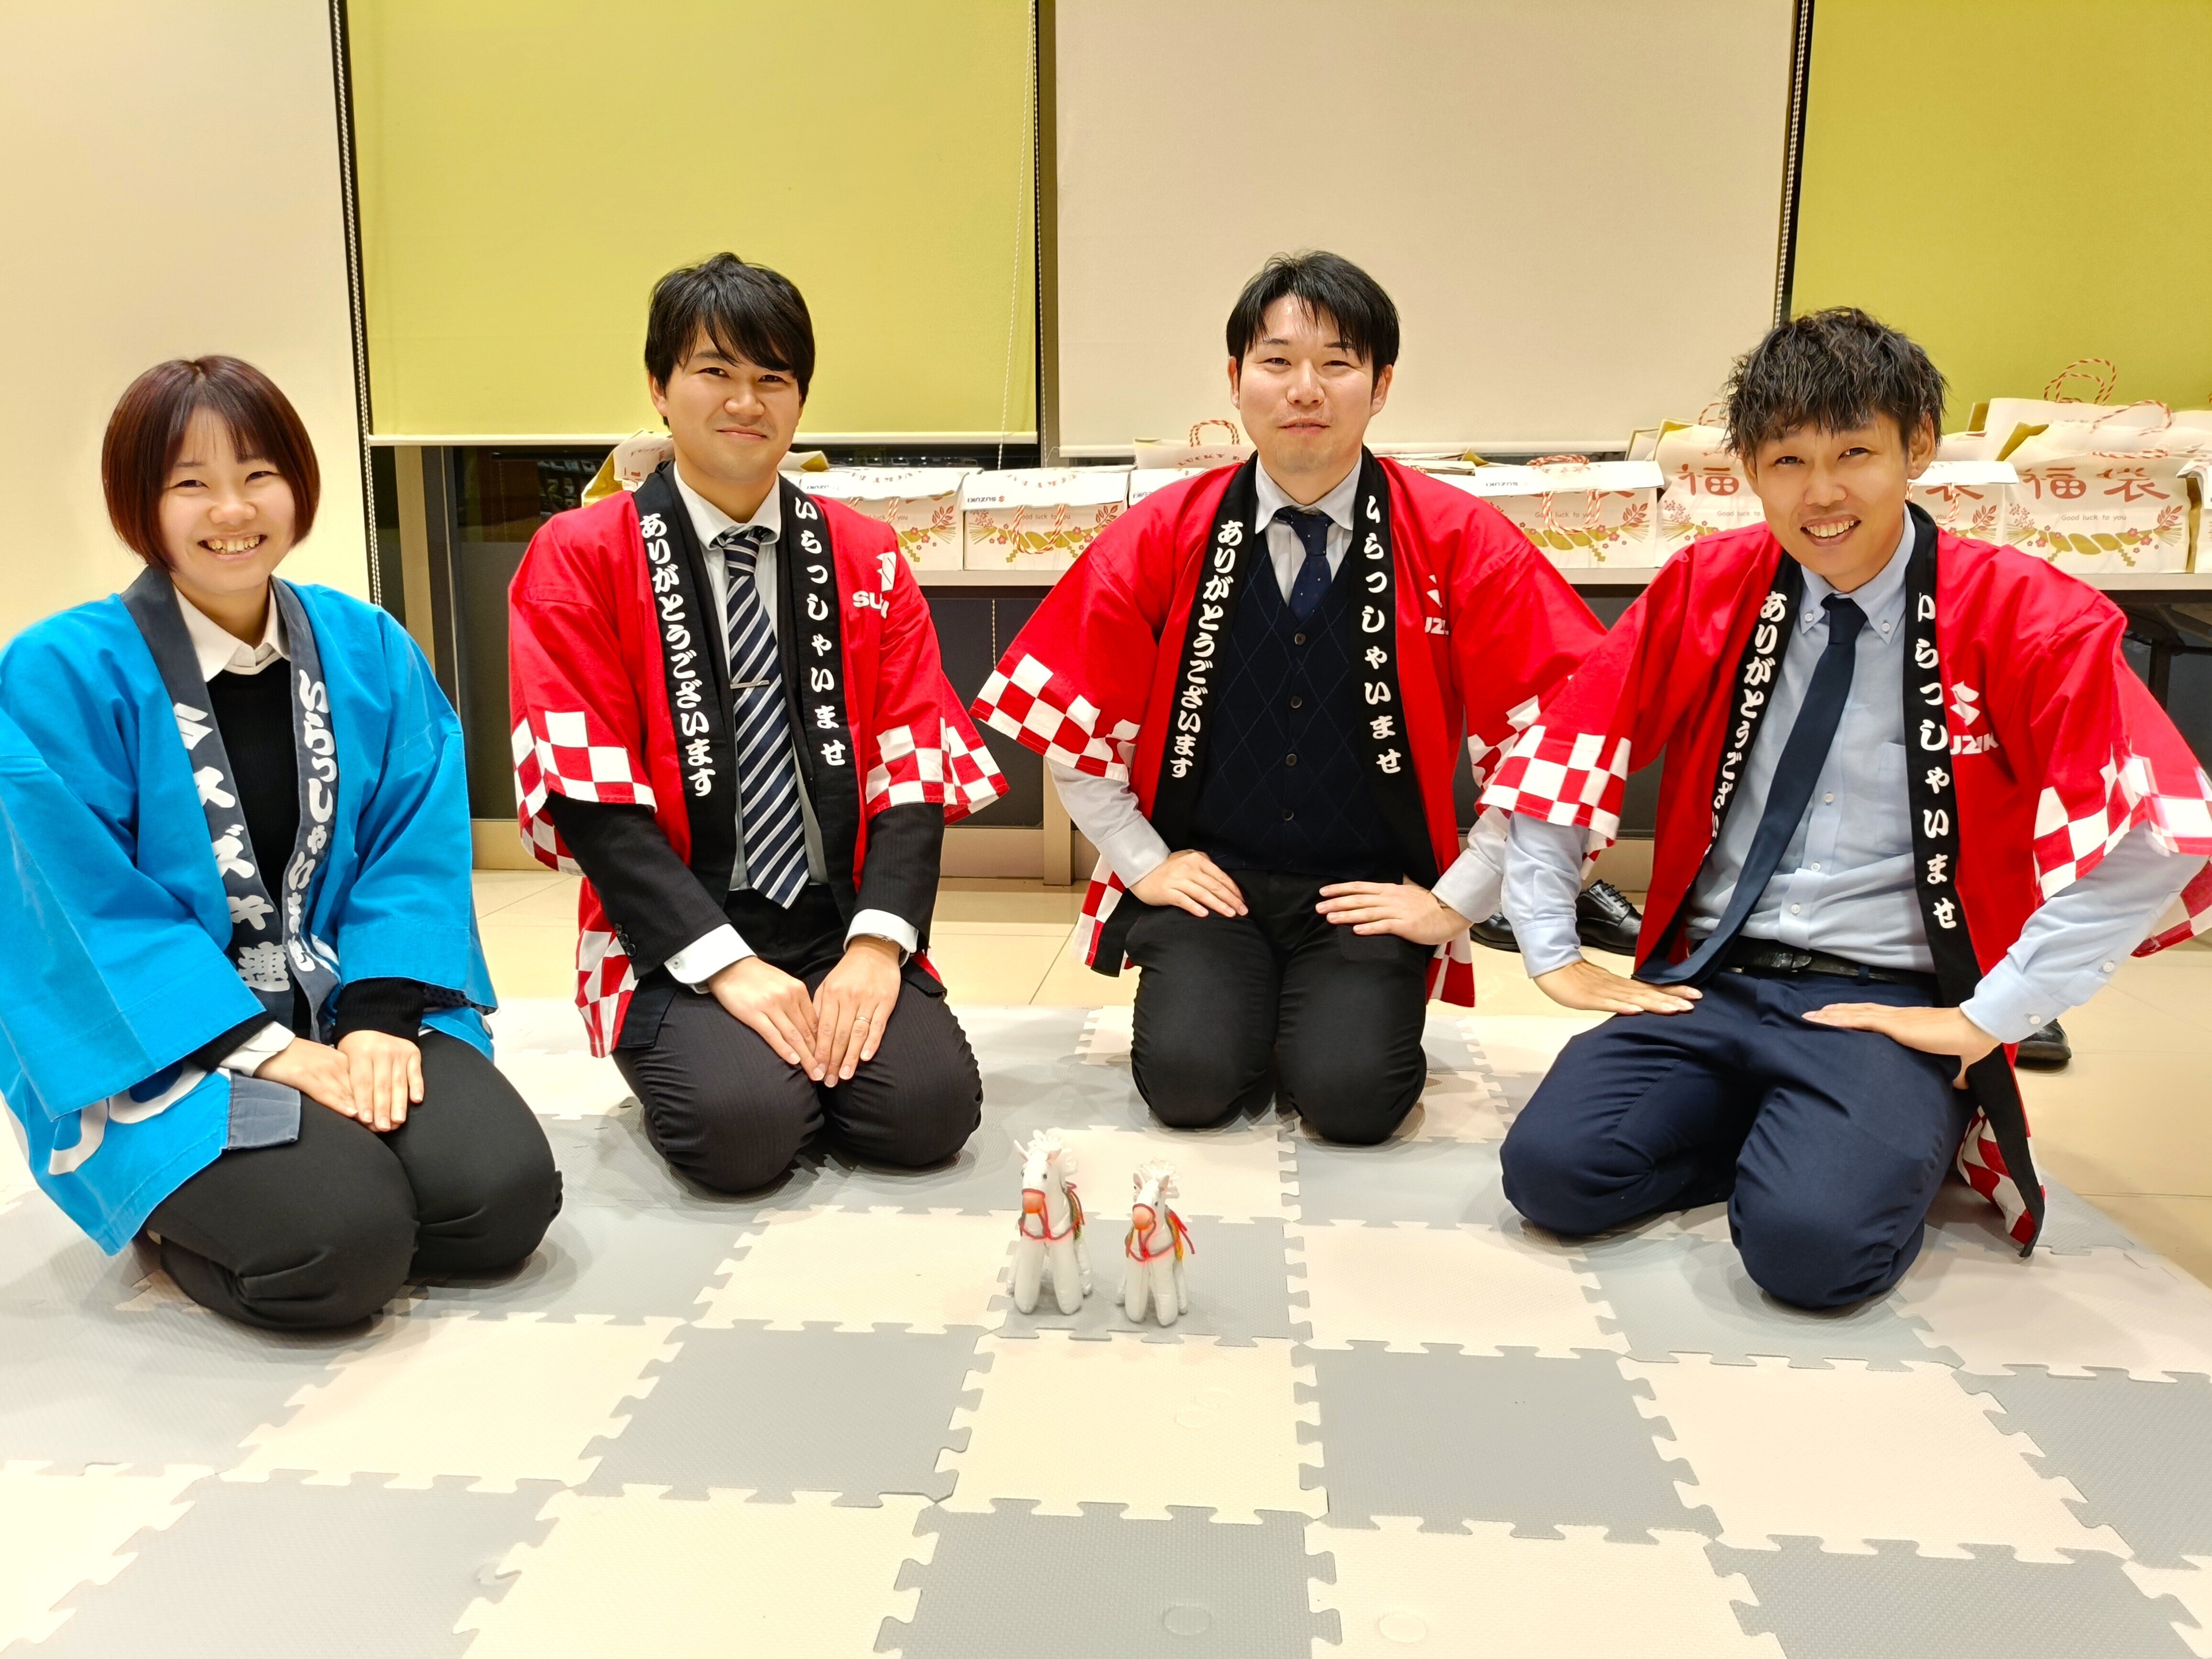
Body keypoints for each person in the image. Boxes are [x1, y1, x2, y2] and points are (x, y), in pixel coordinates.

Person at [1488, 309, 2212, 1307]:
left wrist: (1989, 1016)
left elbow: (2163, 831)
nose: (1821, 494)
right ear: (1750, 470)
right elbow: (1564, 746)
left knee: (1812, 1255)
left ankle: (1850, 1138)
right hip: (1711, 978)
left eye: (1855, 453)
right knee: (1553, 1176)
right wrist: (1548, 947)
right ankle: (1797, 1133)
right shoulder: (1709, 584)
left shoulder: (2023, 612)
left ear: (1919, 448)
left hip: (1894, 999)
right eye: (1787, 460)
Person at [974, 251, 1605, 1144]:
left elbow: (1564, 736)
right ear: (1237, 381)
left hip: (1366, 889)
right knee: (1188, 1087)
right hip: (1212, 881)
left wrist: (1456, 899)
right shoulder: (1167, 531)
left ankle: (1313, 1018)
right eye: (1276, 361)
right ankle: (1247, 1008)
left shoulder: (1458, 536)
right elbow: (1070, 722)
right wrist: (1144, 862)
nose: (1305, 389)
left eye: (1337, 363)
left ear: (1381, 386)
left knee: (1355, 1102)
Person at [0, 357, 559, 1330]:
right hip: (170, 1044)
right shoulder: (60, 672)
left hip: (352, 1001)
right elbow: (81, 912)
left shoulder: (367, 644)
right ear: (140, 504)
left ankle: (331, 1173)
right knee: (336, 1251)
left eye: (259, 474)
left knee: (498, 1203)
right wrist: (263, 1051)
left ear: (297, 485)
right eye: (191, 483)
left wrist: (378, 1018)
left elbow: (413, 852)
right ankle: (192, 1217)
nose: (233, 509)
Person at [509, 254, 1003, 1193]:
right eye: (715, 372)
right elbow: (589, 793)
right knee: (743, 1136)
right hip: (672, 928)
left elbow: (912, 766)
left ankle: (799, 1044)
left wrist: (876, 947)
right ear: (660, 388)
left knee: (926, 1115)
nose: (746, 401)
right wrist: (724, 965)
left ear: (800, 398)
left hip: (835, 916)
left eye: (773, 377)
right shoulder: (578, 555)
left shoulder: (866, 553)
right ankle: (737, 1058)